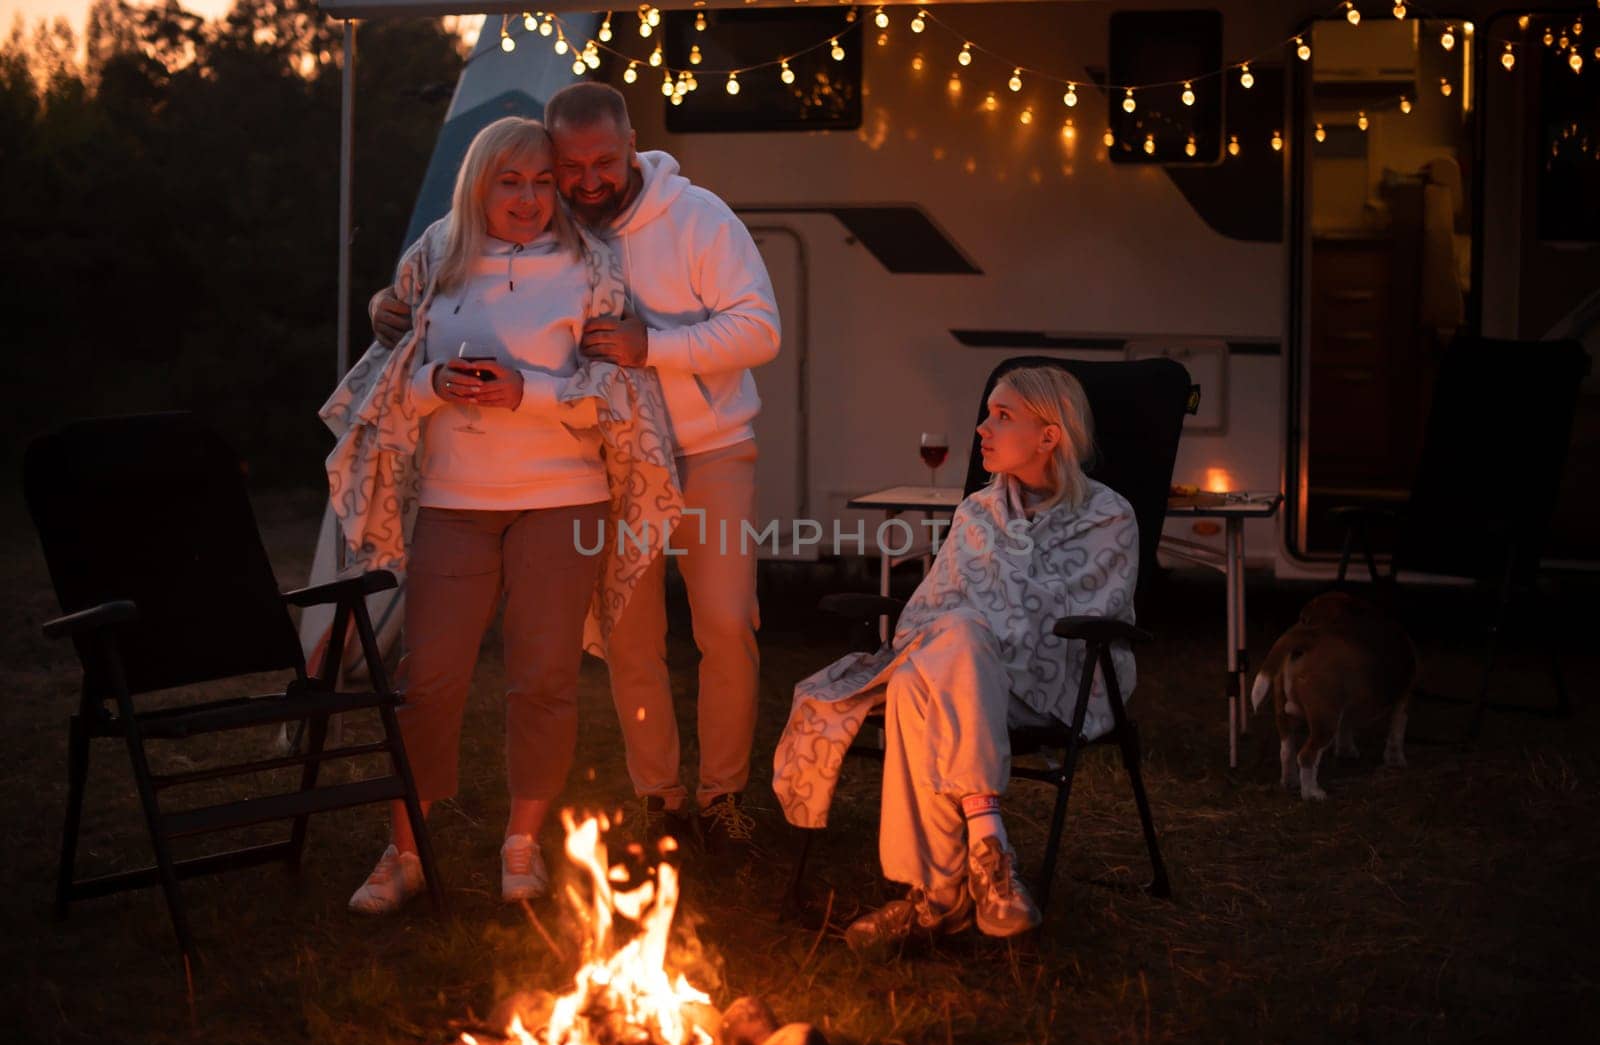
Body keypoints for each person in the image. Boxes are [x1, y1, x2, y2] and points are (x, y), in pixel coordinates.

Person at [372, 83, 781, 855]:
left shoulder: (697, 218)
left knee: (724, 622)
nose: (588, 179)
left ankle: (722, 793)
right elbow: (461, 265)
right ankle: (659, 794)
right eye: (570, 164)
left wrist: (650, 344)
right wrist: (385, 307)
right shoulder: (556, 228)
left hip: (708, 447)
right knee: (630, 634)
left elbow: (760, 329)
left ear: (632, 146)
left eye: (604, 161)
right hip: (615, 458)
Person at [329, 117, 678, 914]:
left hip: (563, 497)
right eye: (508, 181)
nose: (527, 199)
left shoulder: (590, 265)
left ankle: (522, 841)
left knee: (544, 676)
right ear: (477, 184)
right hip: (456, 501)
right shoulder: (434, 260)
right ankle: (404, 848)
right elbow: (392, 381)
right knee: (428, 679)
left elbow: (620, 396)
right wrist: (434, 387)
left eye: (541, 181)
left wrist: (530, 393)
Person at [771, 366, 1139, 953]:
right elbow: (927, 614)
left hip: (1056, 680)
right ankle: (990, 857)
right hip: (963, 680)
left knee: (943, 657)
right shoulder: (978, 513)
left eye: (1002, 416)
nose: (982, 428)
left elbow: (1091, 611)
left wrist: (981, 618)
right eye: (988, 413)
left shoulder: (1108, 516)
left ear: (1049, 436)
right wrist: (973, 627)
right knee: (943, 657)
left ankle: (935, 901)